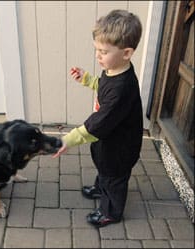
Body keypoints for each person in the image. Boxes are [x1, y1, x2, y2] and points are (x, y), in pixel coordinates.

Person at [53, 9, 143, 228]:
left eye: (103, 51)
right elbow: (103, 87)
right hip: (108, 139)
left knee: (114, 175)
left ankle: (111, 212)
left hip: (120, 145)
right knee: (104, 167)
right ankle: (100, 188)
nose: (98, 56)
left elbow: (100, 121)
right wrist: (87, 79)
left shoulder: (123, 87)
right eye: (96, 50)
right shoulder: (113, 70)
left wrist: (70, 139)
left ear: (127, 53)